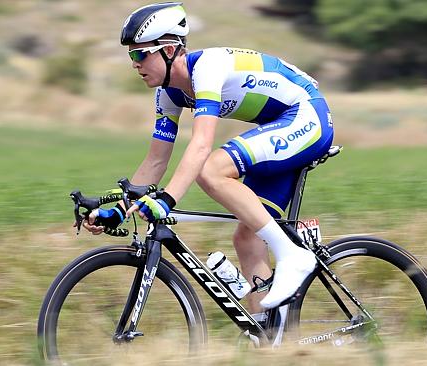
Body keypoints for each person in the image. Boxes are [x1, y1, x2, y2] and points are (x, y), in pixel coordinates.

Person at [84, 2, 334, 315]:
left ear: (170, 48)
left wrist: (167, 200)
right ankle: (271, 339)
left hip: (306, 116)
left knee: (212, 169)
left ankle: (293, 256)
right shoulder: (168, 94)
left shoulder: (207, 69)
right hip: (278, 128)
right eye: (131, 55)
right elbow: (155, 162)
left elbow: (202, 144)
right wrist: (119, 212)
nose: (135, 63)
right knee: (247, 237)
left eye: (140, 53)